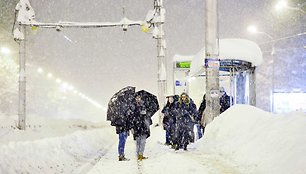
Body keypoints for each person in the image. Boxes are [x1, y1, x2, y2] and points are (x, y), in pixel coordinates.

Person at [131, 94, 152, 161]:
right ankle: (138, 155)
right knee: (138, 141)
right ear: (135, 99)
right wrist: (138, 113)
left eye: (139, 98)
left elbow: (147, 115)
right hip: (136, 126)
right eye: (136, 98)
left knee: (143, 141)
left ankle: (141, 154)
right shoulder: (133, 106)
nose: (138, 99)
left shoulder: (143, 105)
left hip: (143, 126)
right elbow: (132, 116)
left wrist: (145, 113)